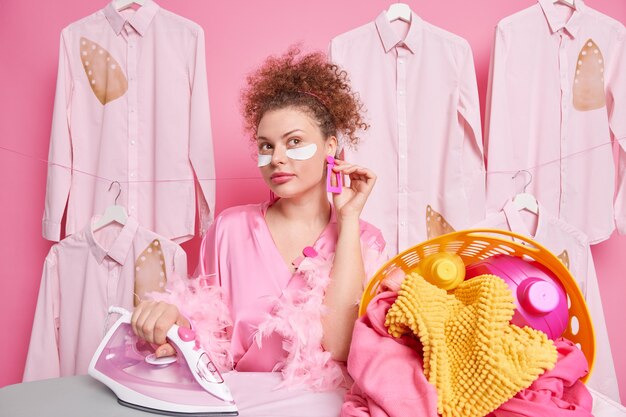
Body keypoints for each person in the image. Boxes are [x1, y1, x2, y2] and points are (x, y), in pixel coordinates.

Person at [130, 47, 387, 391]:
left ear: (330, 147)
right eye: (266, 146)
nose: (276, 158)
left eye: (293, 142)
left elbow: (340, 345)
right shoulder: (228, 229)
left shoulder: (365, 239)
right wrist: (171, 320)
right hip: (238, 403)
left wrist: (350, 218)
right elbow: (206, 331)